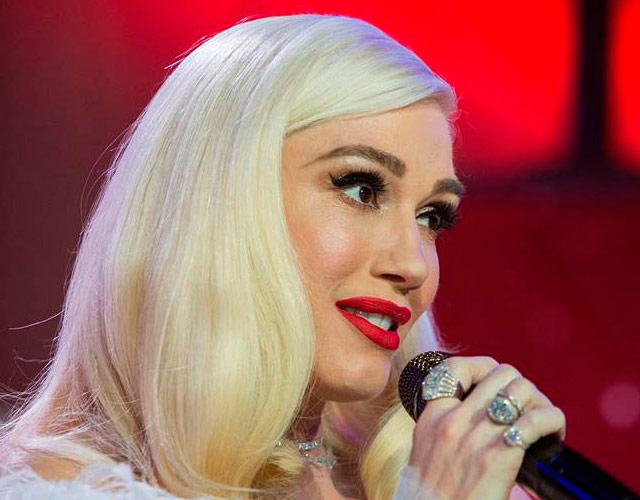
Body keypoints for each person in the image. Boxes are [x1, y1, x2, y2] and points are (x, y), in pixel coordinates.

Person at [0, 14, 565, 500]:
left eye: (432, 217)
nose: (413, 265)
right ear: (220, 199)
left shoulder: (393, 481)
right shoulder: (51, 488)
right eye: (361, 188)